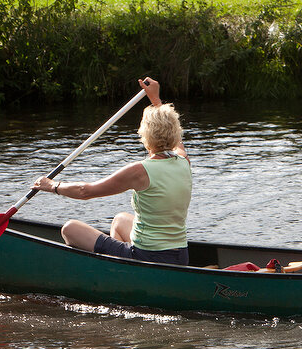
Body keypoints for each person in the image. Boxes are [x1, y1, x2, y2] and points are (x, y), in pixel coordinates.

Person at [31, 77, 192, 265]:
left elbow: (86, 191)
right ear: (175, 131)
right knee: (120, 220)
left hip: (148, 257)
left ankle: (119, 272)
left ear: (145, 134)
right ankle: (120, 268)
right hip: (180, 256)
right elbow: (176, 138)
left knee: (69, 229)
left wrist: (53, 186)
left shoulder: (140, 171)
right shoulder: (183, 161)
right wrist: (156, 100)